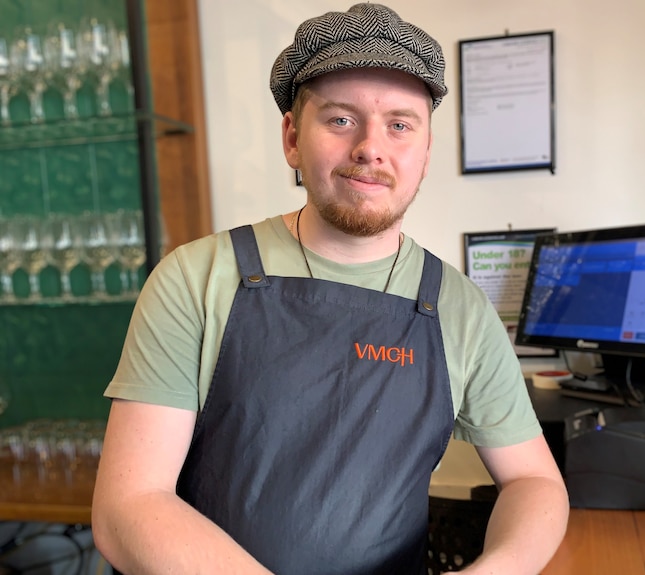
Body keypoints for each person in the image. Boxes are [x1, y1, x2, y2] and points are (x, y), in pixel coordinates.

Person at [91, 3, 569, 574]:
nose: (371, 146)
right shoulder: (196, 279)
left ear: (424, 151)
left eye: (399, 124)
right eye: (340, 119)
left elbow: (535, 481)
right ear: (293, 138)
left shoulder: (459, 308)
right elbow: (129, 505)